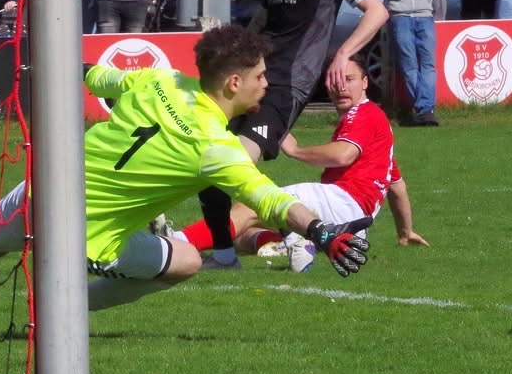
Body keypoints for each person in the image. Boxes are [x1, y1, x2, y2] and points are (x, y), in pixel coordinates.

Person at [0, 25, 372, 338]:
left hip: (42, 192)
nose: (266, 84)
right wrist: (322, 232)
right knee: (187, 261)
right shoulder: (217, 148)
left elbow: (92, 76)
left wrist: (48, 61)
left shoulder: (160, 79)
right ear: (232, 83)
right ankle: (58, 314)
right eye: (260, 76)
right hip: (85, 237)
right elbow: (270, 200)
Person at [197, 0, 389, 268]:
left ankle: (295, 233)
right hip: (250, 78)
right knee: (207, 156)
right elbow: (264, 21)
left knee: (233, 162)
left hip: (287, 84)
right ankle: (228, 252)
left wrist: (342, 54)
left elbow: (377, 11)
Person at [171, 55, 429, 272]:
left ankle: (173, 243)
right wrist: (405, 232)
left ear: (365, 82)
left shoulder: (366, 113)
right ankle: (291, 242)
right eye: (336, 81)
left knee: (248, 207)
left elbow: (343, 155)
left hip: (342, 202)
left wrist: (295, 151)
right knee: (240, 234)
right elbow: (397, 186)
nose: (341, 87)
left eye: (349, 79)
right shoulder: (376, 134)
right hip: (353, 225)